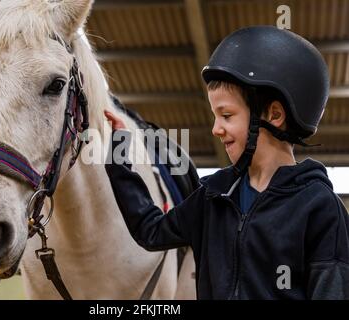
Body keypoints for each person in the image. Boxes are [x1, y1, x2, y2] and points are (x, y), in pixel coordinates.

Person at [104, 26, 349, 299]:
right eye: (215, 116)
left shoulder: (319, 207)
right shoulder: (212, 197)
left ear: (274, 114)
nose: (215, 129)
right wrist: (119, 152)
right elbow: (150, 231)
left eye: (227, 115)